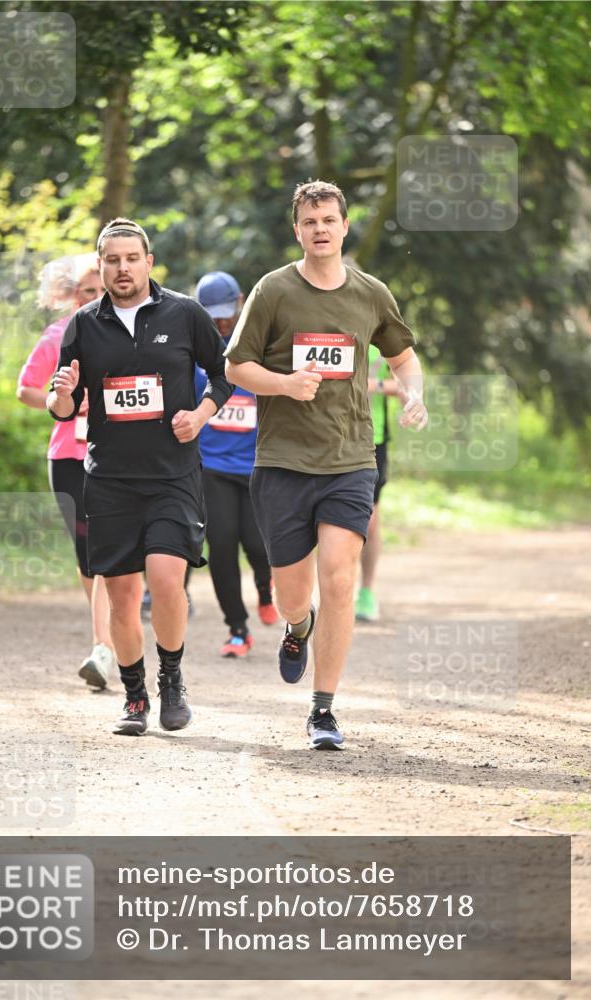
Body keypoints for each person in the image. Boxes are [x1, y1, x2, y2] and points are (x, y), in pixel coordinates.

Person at [225, 179, 428, 751]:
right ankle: (296, 627)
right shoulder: (273, 291)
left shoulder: (370, 294)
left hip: (349, 458)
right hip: (284, 460)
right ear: (298, 230)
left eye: (328, 220)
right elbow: (237, 367)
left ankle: (324, 710)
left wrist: (413, 394)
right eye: (309, 221)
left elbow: (404, 359)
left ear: (344, 226)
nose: (320, 229)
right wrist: (286, 384)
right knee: (295, 593)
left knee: (338, 578)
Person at [46, 218, 232, 736]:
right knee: (123, 595)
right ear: (100, 264)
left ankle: (171, 679)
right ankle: (134, 697)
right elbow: (64, 405)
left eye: (132, 258)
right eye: (112, 259)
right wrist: (62, 396)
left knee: (168, 580)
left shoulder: (185, 313)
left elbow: (222, 375)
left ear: (149, 262)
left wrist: (200, 414)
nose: (122, 268)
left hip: (173, 473)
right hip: (109, 479)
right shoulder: (83, 324)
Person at [17, 255, 116, 688]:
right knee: (86, 553)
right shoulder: (56, 335)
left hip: (113, 454)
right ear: (69, 294)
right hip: (66, 456)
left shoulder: (120, 333)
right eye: (86, 292)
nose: (93, 299)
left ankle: (104, 645)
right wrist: (63, 404)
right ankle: (105, 635)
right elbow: (25, 389)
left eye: (100, 291)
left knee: (104, 549)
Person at [194, 271, 278, 659]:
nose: (221, 321)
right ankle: (237, 630)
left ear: (241, 301)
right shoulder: (194, 351)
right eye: (212, 315)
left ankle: (265, 589)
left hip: (257, 465)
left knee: (259, 546)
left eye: (226, 313)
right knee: (223, 544)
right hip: (211, 465)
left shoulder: (261, 345)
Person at [355, 343, 406, 622]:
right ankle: (331, 588)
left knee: (369, 518)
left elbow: (403, 385)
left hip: (373, 439)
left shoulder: (383, 335)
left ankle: (366, 591)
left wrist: (369, 384)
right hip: (330, 436)